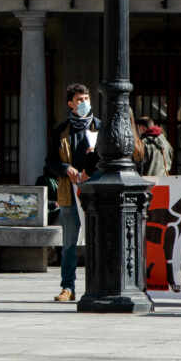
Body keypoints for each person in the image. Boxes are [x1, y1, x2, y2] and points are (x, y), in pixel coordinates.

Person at [49, 83, 142, 302]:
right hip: (69, 192)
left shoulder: (101, 127)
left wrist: (91, 165)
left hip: (96, 193)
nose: (84, 103)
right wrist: (65, 168)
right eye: (79, 100)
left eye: (86, 99)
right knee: (70, 243)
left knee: (98, 241)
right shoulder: (61, 131)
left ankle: (98, 283)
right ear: (70, 103)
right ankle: (67, 287)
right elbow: (50, 162)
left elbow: (110, 159)